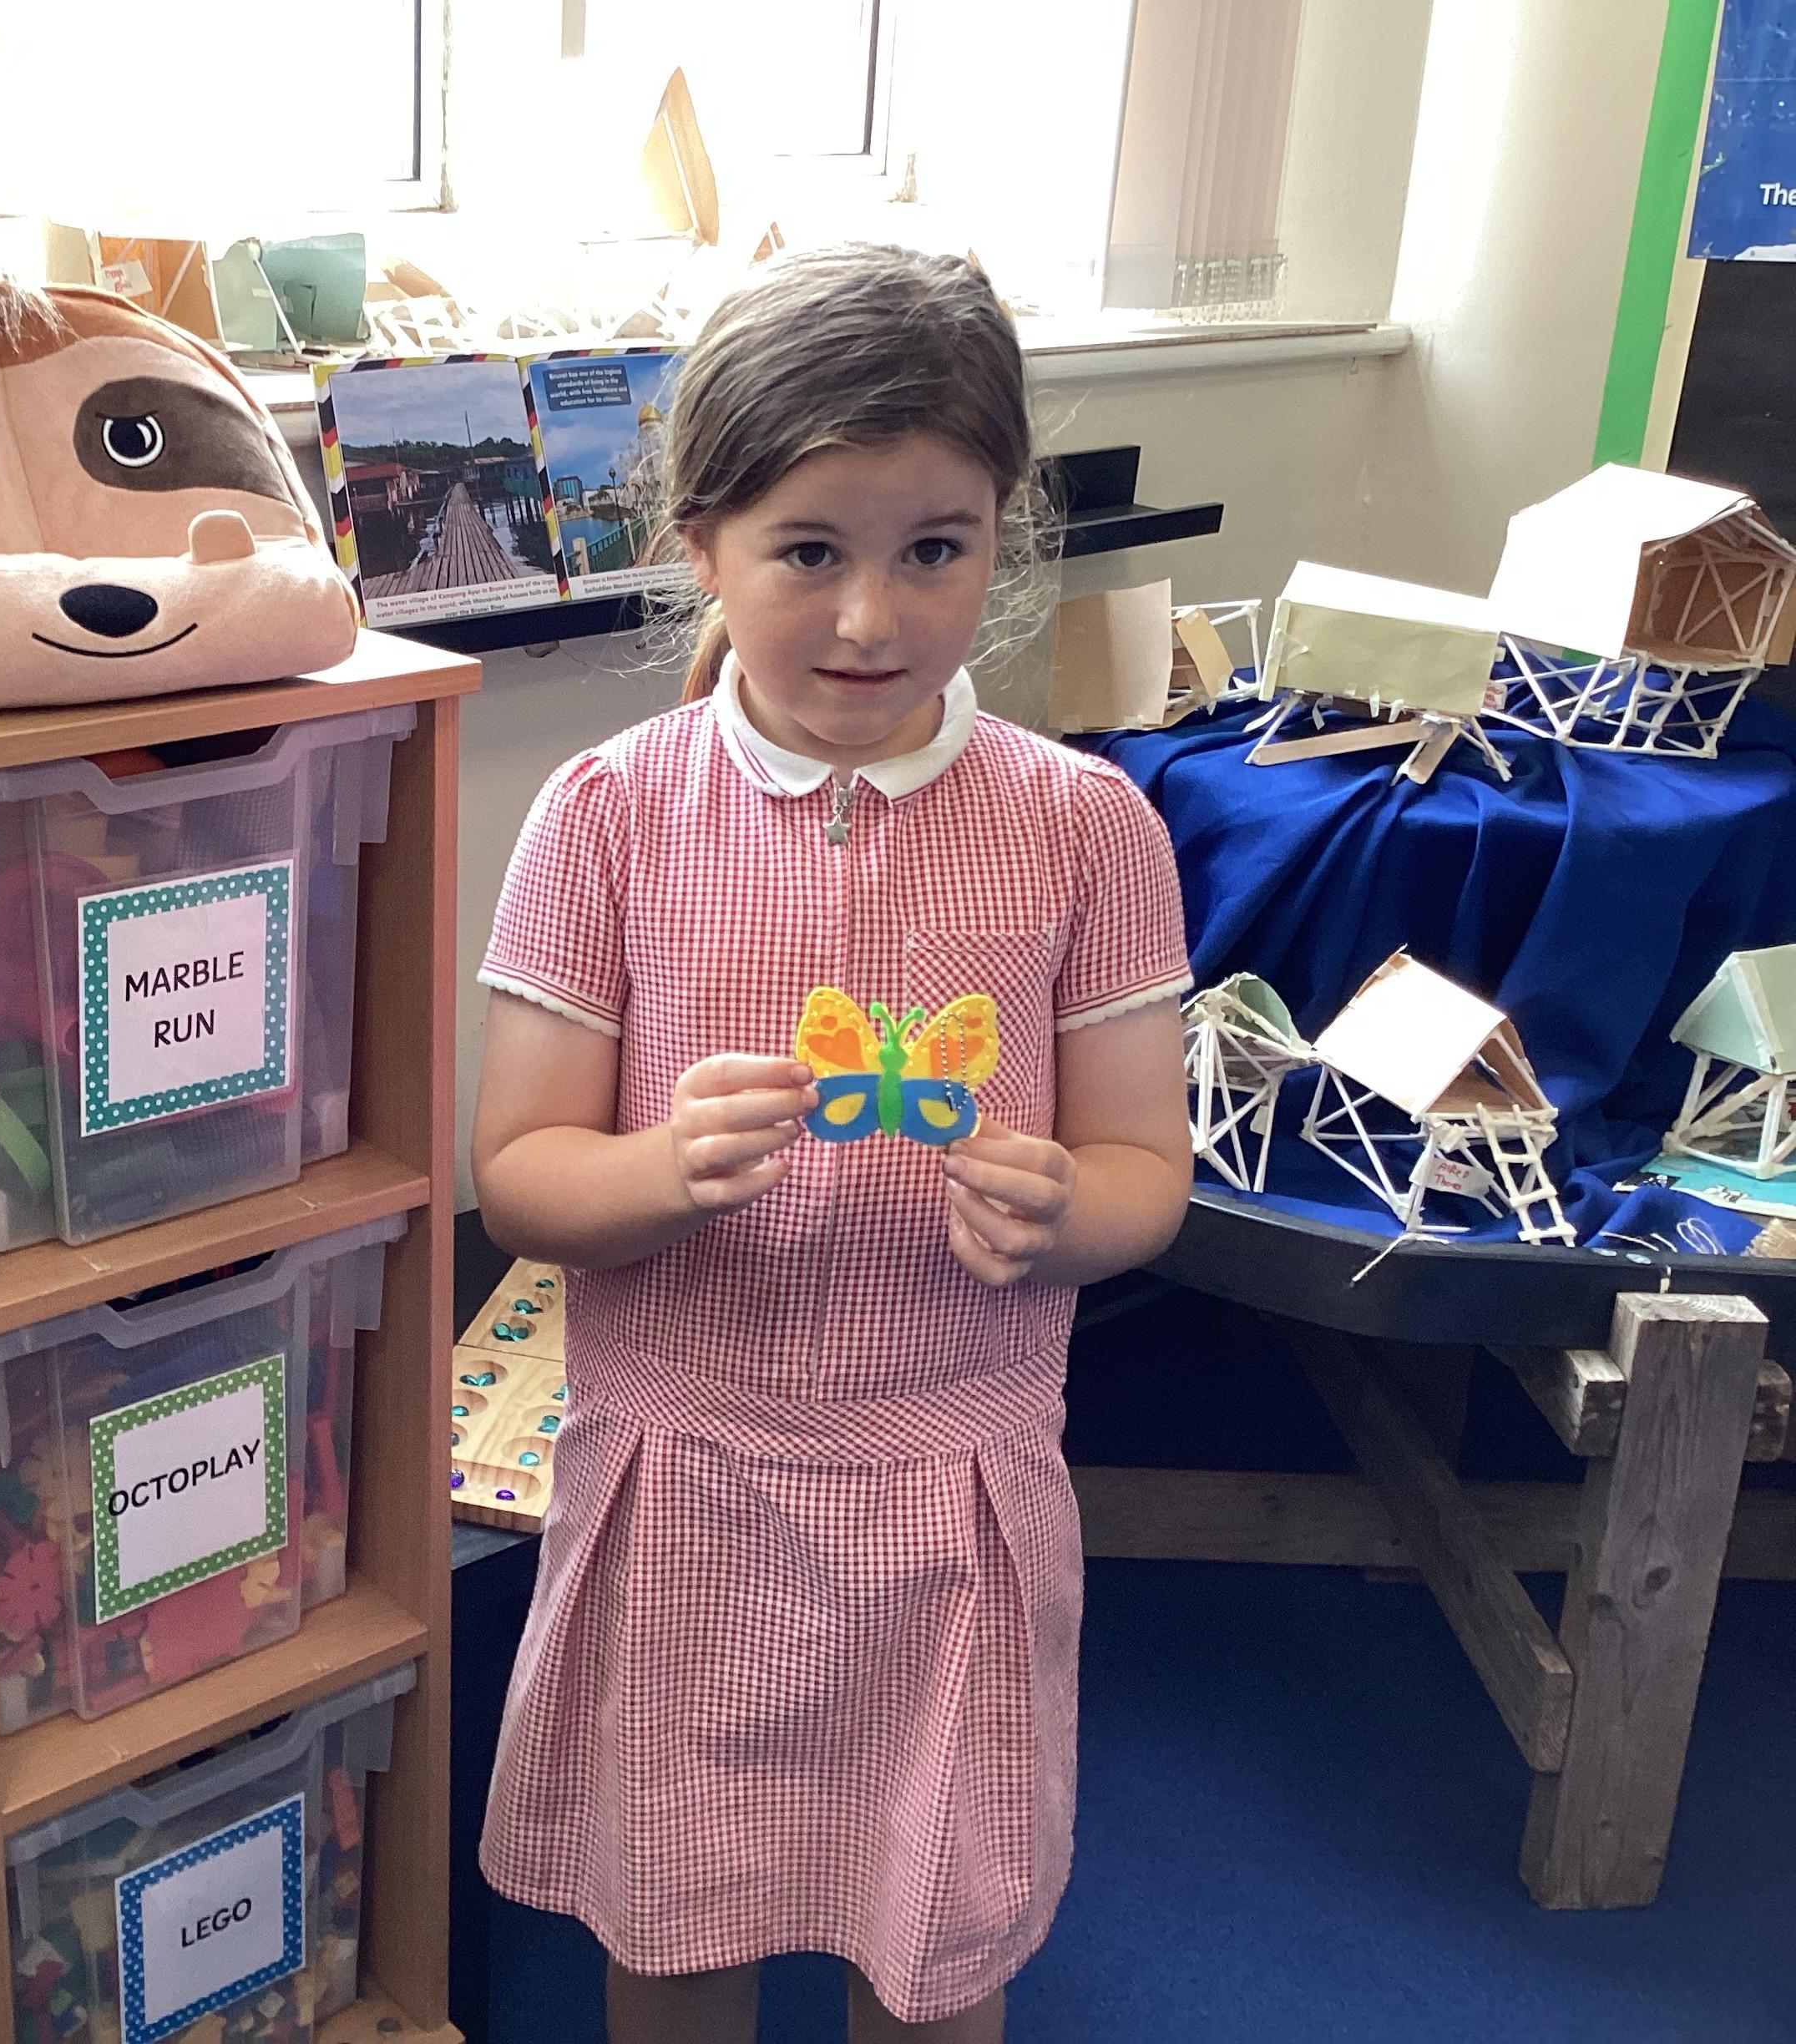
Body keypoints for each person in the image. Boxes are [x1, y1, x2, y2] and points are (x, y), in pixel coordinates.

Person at [471, 241, 1192, 2044]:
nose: (872, 618)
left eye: (934, 549)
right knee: (673, 1924)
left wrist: (1065, 1211)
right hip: (686, 1478)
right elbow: (519, 1173)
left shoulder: (1087, 829)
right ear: (700, 545)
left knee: (934, 1940)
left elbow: (1144, 1176)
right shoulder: (606, 816)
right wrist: (654, 1174)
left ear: (1001, 536)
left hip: (950, 1485)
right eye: (808, 552)